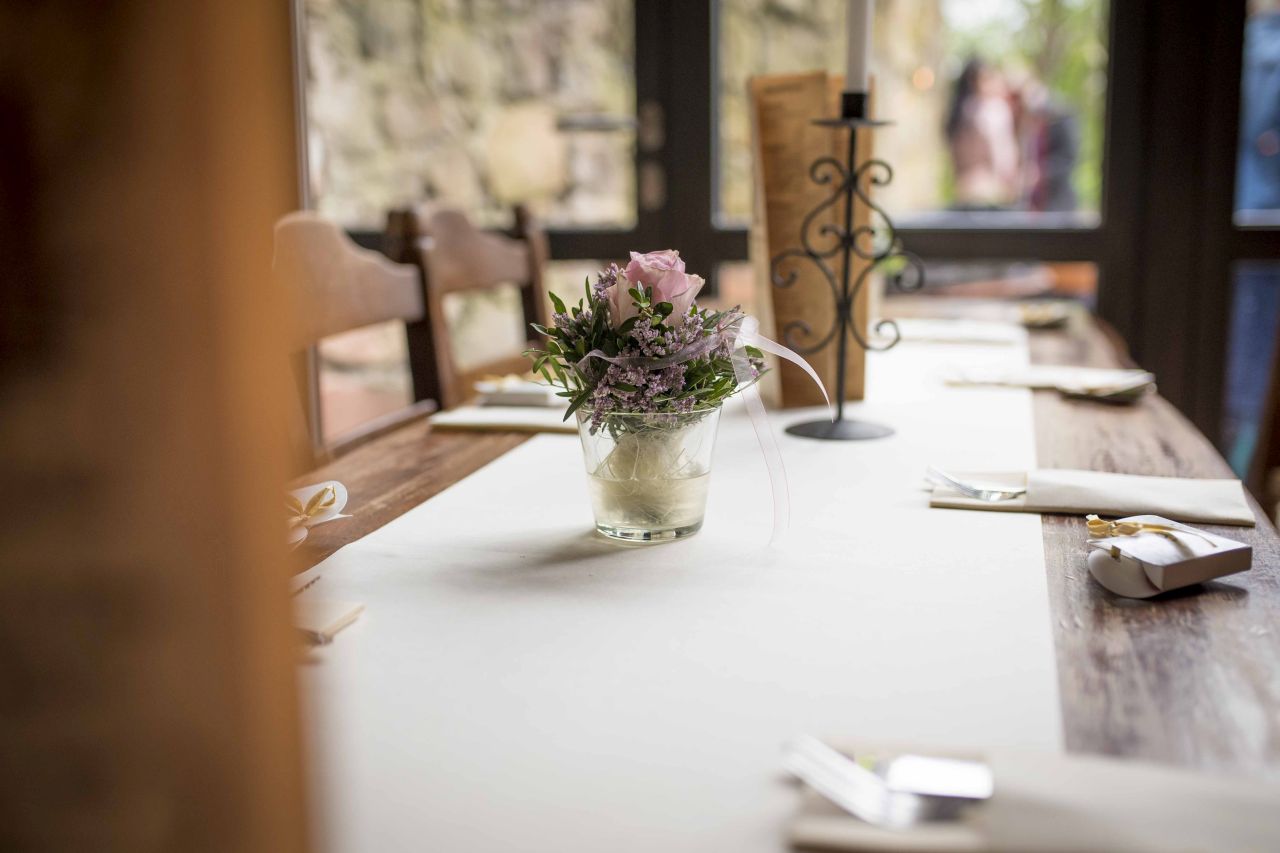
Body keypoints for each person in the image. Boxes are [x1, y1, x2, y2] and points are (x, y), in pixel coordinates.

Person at [945, 57, 1021, 209]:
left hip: (964, 190)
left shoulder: (960, 113)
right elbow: (1003, 157)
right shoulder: (993, 110)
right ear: (978, 82)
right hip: (992, 191)